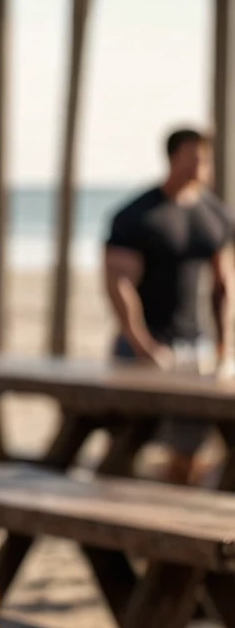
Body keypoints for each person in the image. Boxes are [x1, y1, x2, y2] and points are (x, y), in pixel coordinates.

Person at [105, 127, 235, 486]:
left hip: (197, 345)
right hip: (144, 346)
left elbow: (224, 284)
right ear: (173, 158)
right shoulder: (138, 216)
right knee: (132, 440)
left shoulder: (215, 214)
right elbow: (118, 284)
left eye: (205, 158)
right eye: (193, 156)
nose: (200, 165)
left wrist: (224, 346)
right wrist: (142, 344)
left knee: (190, 448)